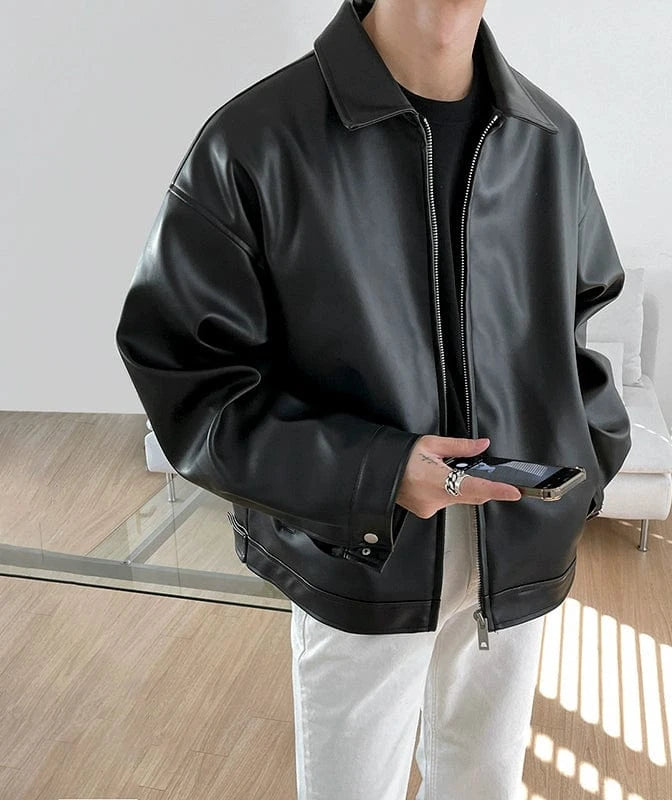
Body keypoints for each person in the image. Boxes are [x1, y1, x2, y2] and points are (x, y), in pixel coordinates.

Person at [115, 0, 632, 797]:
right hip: (362, 556)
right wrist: (377, 473)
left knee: (487, 784)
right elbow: (187, 376)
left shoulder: (548, 138)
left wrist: (579, 478)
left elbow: (577, 326)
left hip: (517, 547)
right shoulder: (256, 140)